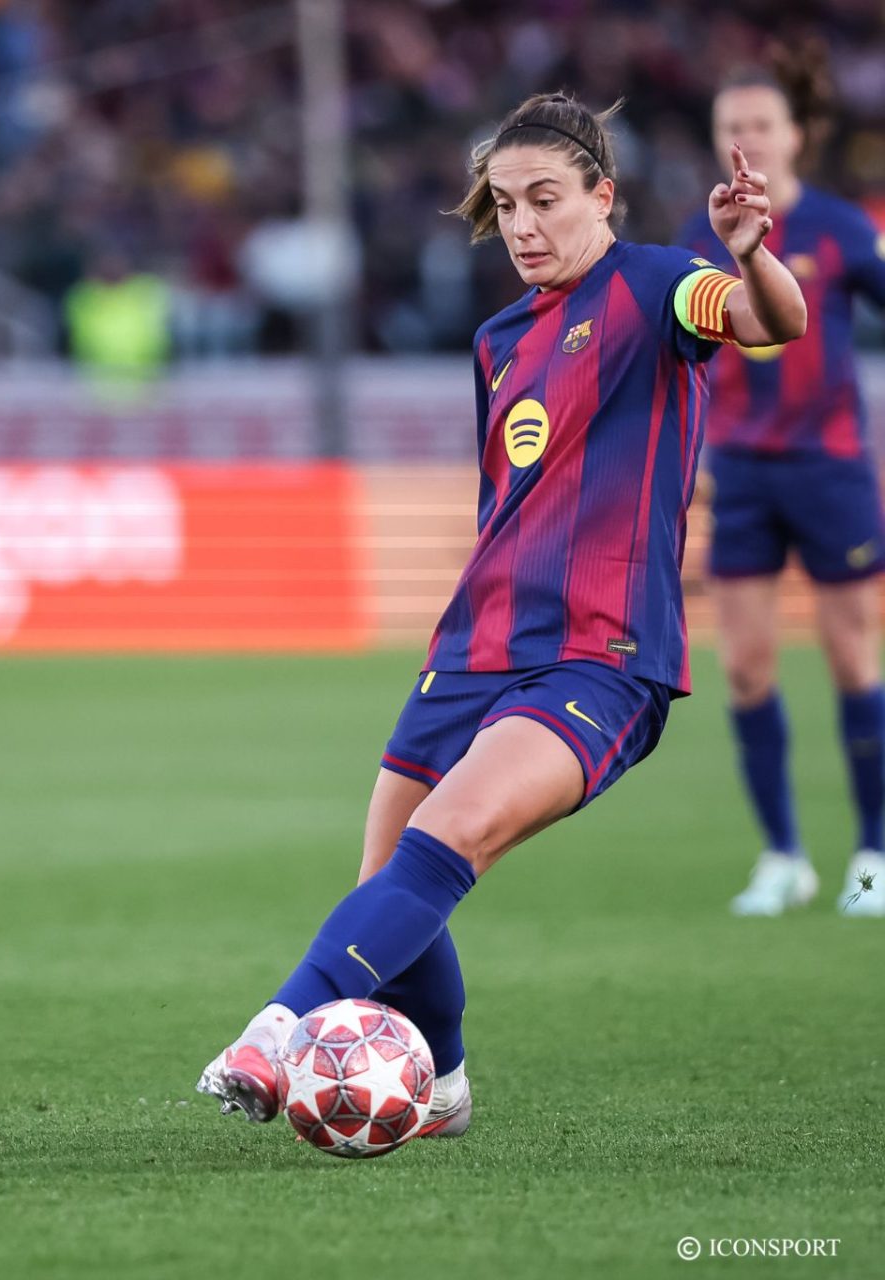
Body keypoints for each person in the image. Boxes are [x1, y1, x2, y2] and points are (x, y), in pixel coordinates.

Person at [193, 93, 806, 1134]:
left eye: (546, 200)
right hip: (471, 648)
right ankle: (447, 1081)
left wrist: (750, 253)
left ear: (602, 197)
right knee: (393, 875)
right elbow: (506, 500)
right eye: (507, 204)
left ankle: (281, 1022)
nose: (523, 225)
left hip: (599, 654)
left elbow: (771, 322)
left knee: (452, 834)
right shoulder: (496, 341)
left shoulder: (659, 285)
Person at [678, 46, 885, 919]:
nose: (747, 138)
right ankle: (783, 856)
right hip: (743, 478)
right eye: (732, 127)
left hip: (831, 470)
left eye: (761, 124)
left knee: (851, 660)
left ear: (795, 136)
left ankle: (872, 858)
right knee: (749, 669)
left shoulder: (840, 229)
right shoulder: (696, 237)